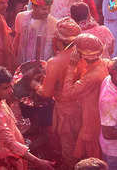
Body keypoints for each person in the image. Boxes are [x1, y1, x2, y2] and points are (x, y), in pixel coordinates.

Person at [0, 66, 55, 170]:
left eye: (10, 86)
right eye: (6, 88)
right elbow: (10, 143)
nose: (11, 91)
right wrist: (39, 162)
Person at [31, 17, 81, 169]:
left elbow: (46, 93)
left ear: (58, 40)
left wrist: (34, 85)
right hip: (86, 108)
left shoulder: (56, 62)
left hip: (67, 112)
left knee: (69, 151)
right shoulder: (84, 53)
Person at [61, 33, 109, 162]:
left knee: (92, 156)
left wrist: (71, 66)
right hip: (96, 113)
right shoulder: (103, 63)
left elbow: (67, 93)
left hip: (92, 118)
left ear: (81, 55)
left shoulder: (93, 75)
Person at [13, 0, 57, 65]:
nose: (47, 12)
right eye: (44, 9)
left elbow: (52, 46)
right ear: (34, 7)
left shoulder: (53, 22)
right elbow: (17, 38)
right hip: (22, 61)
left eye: (49, 9)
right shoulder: (21, 17)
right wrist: (13, 57)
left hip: (42, 65)